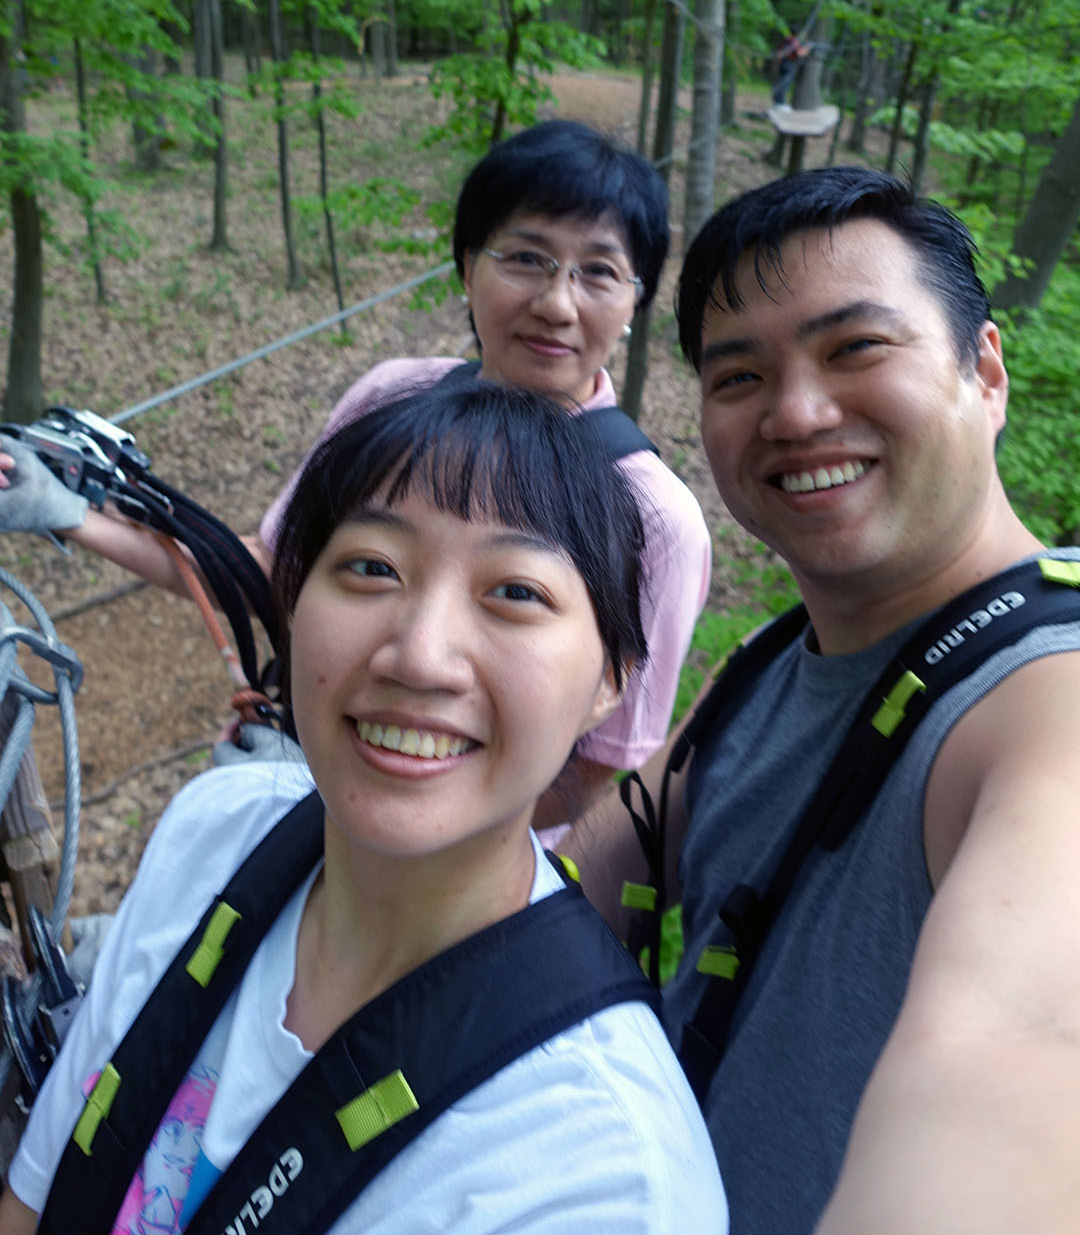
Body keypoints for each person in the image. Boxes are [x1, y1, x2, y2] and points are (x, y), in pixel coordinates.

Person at [0, 383, 727, 1235]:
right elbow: (33, 1204)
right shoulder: (219, 832)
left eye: (516, 592)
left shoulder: (602, 1178)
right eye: (373, 568)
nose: (420, 657)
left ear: (611, 681)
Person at [564, 165, 1080, 1235]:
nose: (796, 413)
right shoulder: (772, 661)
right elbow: (583, 880)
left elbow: (1019, 1050)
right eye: (740, 376)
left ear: (986, 372)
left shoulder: (1044, 693)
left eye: (856, 349)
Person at [0, 121, 711, 834]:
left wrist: (353, 821)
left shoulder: (655, 518)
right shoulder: (392, 399)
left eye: (599, 272)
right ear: (468, 267)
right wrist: (69, 513)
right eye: (526, 258)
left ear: (635, 300)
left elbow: (594, 770)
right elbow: (271, 572)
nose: (557, 303)